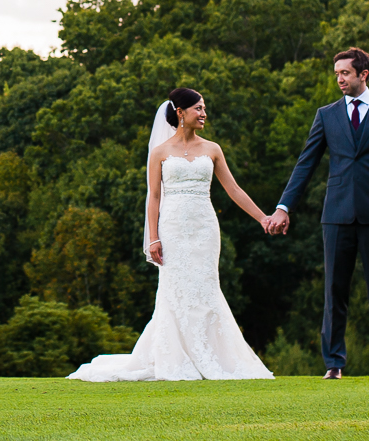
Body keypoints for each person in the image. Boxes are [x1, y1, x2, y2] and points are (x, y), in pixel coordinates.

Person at [69, 87, 275, 381]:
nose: (204, 114)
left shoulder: (213, 149)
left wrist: (262, 218)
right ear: (180, 113)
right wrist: (153, 238)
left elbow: (233, 189)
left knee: (205, 289)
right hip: (173, 228)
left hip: (204, 228)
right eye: (198, 109)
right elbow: (154, 198)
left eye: (204, 108)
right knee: (174, 290)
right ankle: (175, 357)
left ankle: (212, 356)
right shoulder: (160, 152)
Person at [263, 47, 369, 380]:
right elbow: (306, 164)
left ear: (363, 74)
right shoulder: (326, 115)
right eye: (337, 74)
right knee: (334, 291)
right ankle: (334, 363)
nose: (339, 79)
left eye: (345, 73)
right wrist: (284, 207)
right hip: (336, 215)